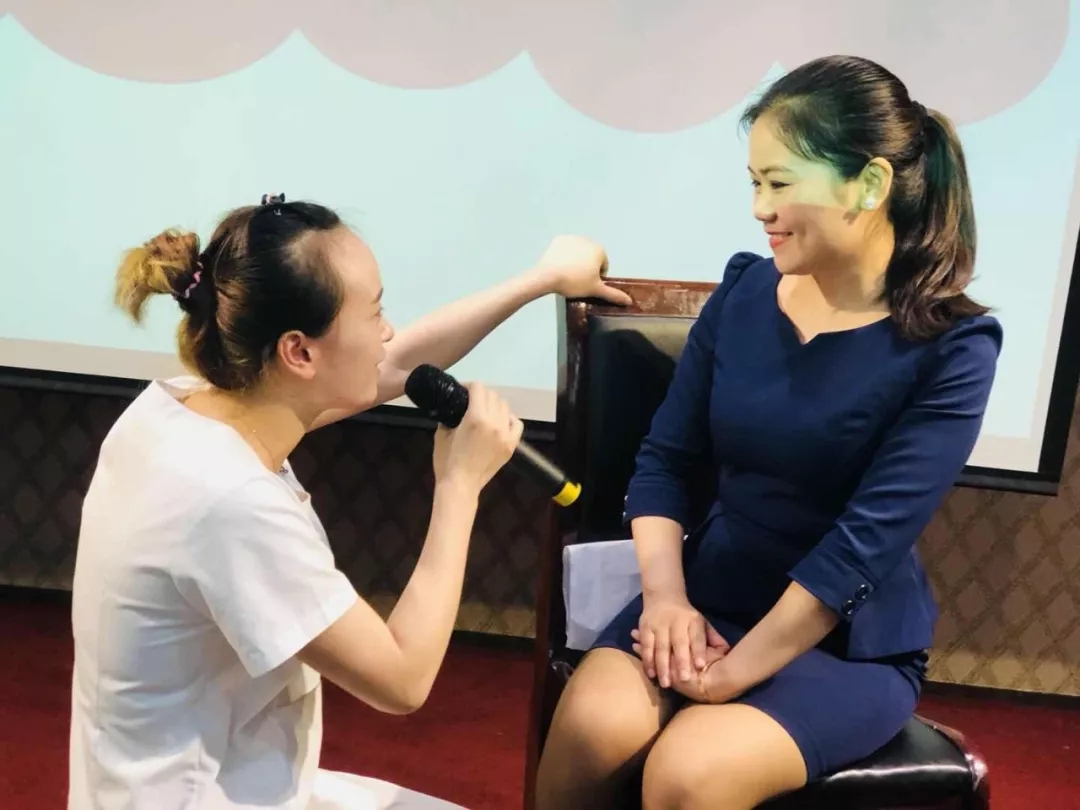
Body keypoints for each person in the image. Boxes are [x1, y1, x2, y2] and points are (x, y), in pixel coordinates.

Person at [535, 55, 1003, 810]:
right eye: (755, 183)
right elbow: (664, 463)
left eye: (780, 183)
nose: (761, 207)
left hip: (841, 640)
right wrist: (665, 601)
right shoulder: (747, 290)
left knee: (690, 772)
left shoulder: (953, 347)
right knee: (591, 726)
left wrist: (732, 674)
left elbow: (857, 552)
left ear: (869, 184)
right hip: (707, 593)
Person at [67, 194, 631, 810]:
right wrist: (459, 485)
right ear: (299, 351)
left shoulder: (182, 410)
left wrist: (540, 280)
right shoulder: (228, 502)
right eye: (375, 312)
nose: (386, 330)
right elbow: (402, 679)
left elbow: (400, 360)